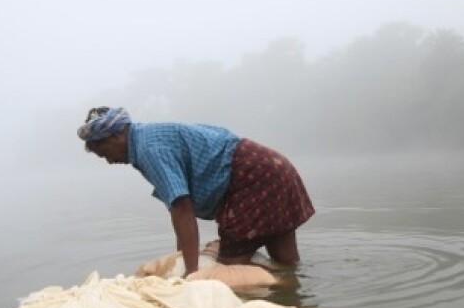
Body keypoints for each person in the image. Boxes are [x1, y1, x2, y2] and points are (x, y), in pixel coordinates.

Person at [78, 107, 314, 276]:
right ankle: (293, 294)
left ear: (117, 135)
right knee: (288, 265)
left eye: (105, 152)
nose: (109, 161)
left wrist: (190, 274)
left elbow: (181, 209)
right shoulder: (151, 135)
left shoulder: (148, 149)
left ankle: (280, 289)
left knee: (227, 270)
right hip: (274, 166)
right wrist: (183, 261)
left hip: (251, 178)